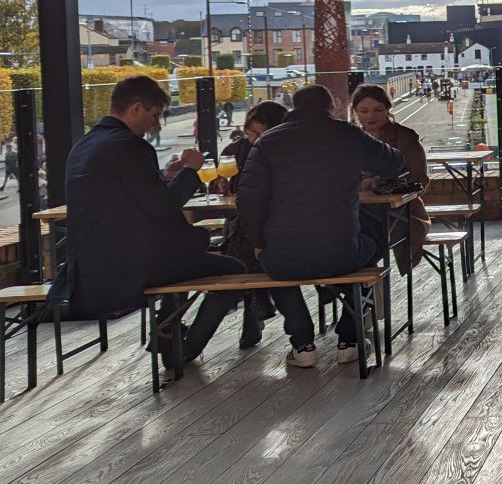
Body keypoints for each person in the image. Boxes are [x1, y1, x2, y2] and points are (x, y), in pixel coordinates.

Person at [56, 75, 244, 370]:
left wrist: (165, 178)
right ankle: (183, 348)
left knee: (190, 248)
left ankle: (167, 328)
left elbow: (130, 199)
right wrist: (191, 171)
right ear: (136, 108)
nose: (155, 125)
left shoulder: (85, 144)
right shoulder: (130, 146)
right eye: (154, 115)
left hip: (90, 268)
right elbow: (163, 208)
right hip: (130, 268)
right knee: (234, 271)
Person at [236, 84, 406, 368]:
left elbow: (247, 199)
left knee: (272, 264)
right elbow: (395, 163)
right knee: (372, 242)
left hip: (282, 257)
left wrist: (258, 243)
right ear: (332, 107)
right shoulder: (349, 135)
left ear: (293, 107)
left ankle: (302, 343)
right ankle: (349, 339)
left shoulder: (268, 142)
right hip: (341, 255)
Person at [220, 100, 288, 348]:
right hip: (246, 222)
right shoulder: (233, 151)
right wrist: (221, 186)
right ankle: (258, 301)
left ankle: (254, 302)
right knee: (247, 237)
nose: (252, 139)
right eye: (249, 133)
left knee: (247, 244)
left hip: (277, 226)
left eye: (259, 134)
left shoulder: (285, 154)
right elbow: (217, 187)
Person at [350, 85, 432, 278]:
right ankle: (358, 296)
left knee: (364, 240)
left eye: (378, 110)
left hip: (401, 213)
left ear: (388, 109)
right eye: (364, 111)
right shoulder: (348, 139)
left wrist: (380, 184)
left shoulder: (405, 137)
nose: (371, 116)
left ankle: (363, 297)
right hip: (357, 211)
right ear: (355, 112)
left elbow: (419, 180)